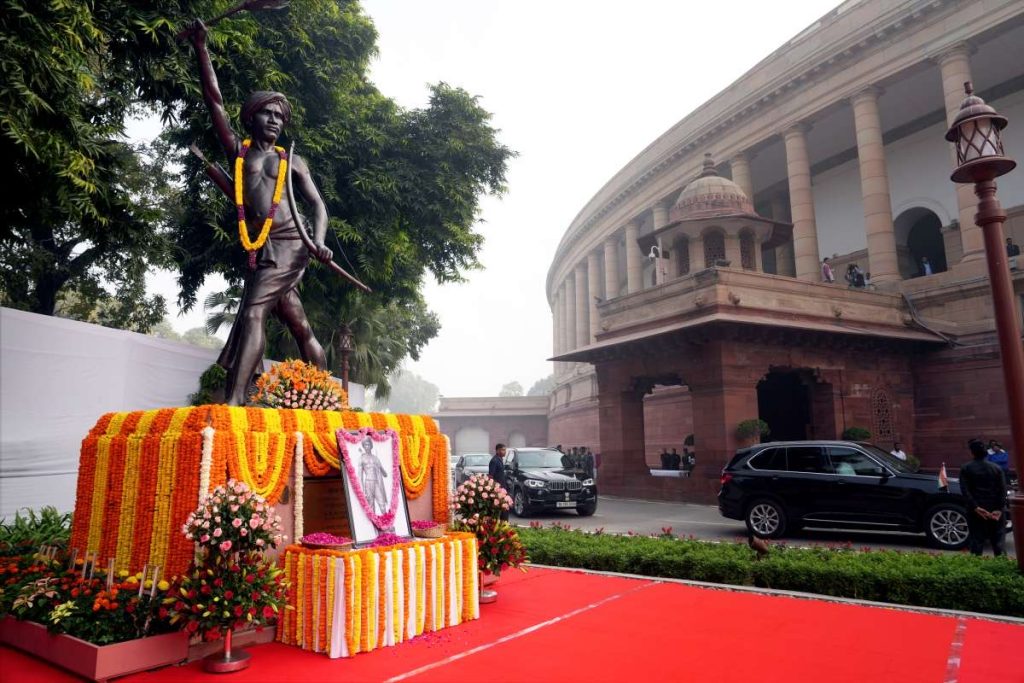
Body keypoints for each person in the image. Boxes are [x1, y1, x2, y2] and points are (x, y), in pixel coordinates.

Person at [189, 20, 335, 406]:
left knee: (253, 313)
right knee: (298, 323)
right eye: (266, 113)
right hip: (261, 246)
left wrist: (318, 242)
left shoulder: (293, 161)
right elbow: (214, 101)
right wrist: (202, 48)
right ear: (251, 117)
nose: (274, 119)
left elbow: (318, 205)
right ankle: (326, 398)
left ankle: (234, 403)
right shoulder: (239, 152)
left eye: (279, 116)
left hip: (291, 243)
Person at [960, 439, 1007, 556]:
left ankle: (977, 570)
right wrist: (999, 509)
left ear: (972, 452)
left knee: (976, 541)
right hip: (995, 509)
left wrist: (976, 507)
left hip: (976, 510)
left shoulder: (966, 468)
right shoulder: (996, 468)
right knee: (998, 542)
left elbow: (965, 491)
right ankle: (1002, 569)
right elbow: (1002, 490)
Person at [358, 436, 391, 529]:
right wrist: (362, 489)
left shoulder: (376, 458)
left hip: (376, 483)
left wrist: (389, 469)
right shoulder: (362, 458)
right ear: (363, 446)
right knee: (371, 504)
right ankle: (374, 526)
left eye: (368, 444)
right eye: (365, 445)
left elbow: (384, 473)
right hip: (368, 483)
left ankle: (386, 523)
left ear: (371, 445)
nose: (367, 446)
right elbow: (359, 475)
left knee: (382, 503)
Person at [489, 444, 509, 520]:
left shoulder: (499, 459)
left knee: (504, 508)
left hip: (502, 487)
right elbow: (491, 476)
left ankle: (504, 524)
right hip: (498, 489)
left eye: (505, 450)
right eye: (503, 450)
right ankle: (503, 524)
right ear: (497, 450)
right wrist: (495, 489)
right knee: (502, 507)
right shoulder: (494, 461)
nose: (505, 452)